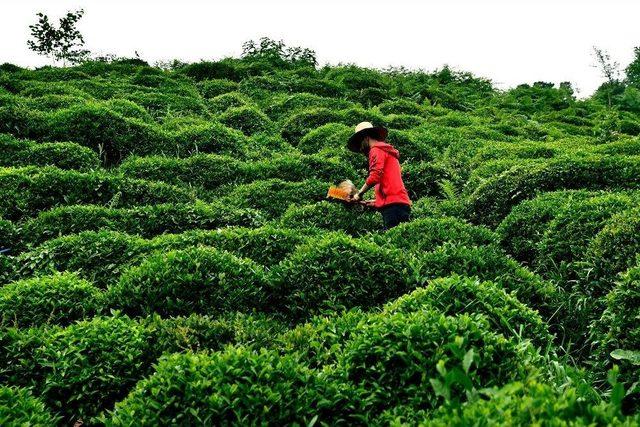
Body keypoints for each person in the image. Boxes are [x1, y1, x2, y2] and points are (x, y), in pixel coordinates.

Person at [346, 121, 412, 229]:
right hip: (400, 203)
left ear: (365, 137)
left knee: (392, 243)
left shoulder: (376, 150)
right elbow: (390, 184)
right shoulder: (386, 151)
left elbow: (375, 176)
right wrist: (374, 202)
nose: (361, 148)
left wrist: (359, 193)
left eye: (360, 142)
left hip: (393, 207)